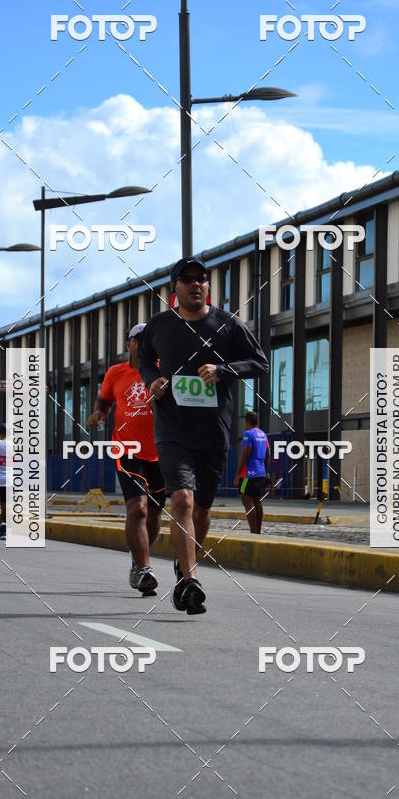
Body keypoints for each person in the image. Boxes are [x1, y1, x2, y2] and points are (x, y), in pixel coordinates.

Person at [138, 256, 269, 615]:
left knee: (204, 510)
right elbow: (145, 359)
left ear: (207, 286)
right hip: (172, 428)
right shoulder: (160, 325)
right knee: (181, 500)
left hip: (213, 431)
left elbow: (260, 362)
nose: (196, 284)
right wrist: (153, 381)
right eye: (187, 279)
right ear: (174, 288)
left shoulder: (227, 324)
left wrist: (223, 369)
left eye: (202, 279)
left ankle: (186, 560)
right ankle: (190, 580)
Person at [88, 323, 164, 595]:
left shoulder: (164, 372)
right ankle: (143, 568)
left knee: (155, 512)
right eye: (138, 340)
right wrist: (100, 414)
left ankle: (138, 555)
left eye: (148, 340)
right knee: (138, 508)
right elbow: (104, 401)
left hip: (163, 452)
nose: (143, 344)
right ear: (127, 344)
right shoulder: (116, 372)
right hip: (127, 449)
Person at [234, 411, 270, 534]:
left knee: (247, 501)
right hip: (260, 473)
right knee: (257, 501)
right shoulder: (263, 435)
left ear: (247, 421)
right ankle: (258, 531)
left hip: (248, 474)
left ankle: (253, 531)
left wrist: (238, 474)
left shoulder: (248, 434)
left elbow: (245, 454)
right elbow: (267, 456)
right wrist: (267, 473)